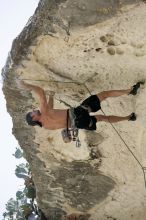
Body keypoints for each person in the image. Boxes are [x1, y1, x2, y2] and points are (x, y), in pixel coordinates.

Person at [20, 81, 143, 131]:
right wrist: (27, 86)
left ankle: (129, 117)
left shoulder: (46, 126)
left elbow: (51, 111)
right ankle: (129, 91)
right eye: (32, 113)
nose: (33, 110)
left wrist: (51, 96)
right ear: (34, 118)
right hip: (78, 113)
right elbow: (40, 91)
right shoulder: (44, 113)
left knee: (101, 118)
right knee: (103, 95)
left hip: (79, 124)